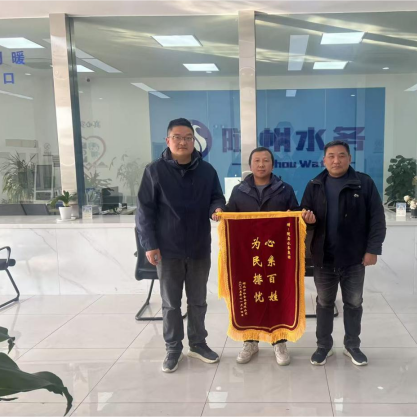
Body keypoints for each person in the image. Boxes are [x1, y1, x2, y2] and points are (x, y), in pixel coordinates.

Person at [136, 117, 225, 373]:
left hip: (198, 247)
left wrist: (217, 208)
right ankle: (173, 349)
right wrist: (150, 245)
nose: (183, 142)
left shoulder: (207, 171)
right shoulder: (154, 171)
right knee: (171, 303)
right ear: (168, 140)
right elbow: (144, 211)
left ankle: (198, 344)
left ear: (193, 141)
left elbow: (216, 197)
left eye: (188, 137)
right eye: (177, 137)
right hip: (167, 249)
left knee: (198, 301)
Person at [300, 140, 386, 366]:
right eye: (331, 156)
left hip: (354, 257)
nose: (336, 160)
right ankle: (323, 346)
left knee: (354, 303)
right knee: (324, 303)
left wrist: (373, 249)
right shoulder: (314, 185)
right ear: (324, 160)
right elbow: (304, 219)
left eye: (341, 155)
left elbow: (377, 219)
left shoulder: (363, 183)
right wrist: (307, 220)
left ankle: (352, 345)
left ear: (349, 158)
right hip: (324, 258)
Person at [225, 146, 300, 366]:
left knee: (277, 295)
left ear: (272, 164)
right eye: (257, 160)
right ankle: (250, 342)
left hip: (276, 255)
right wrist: (220, 212)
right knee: (250, 295)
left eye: (265, 160)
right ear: (250, 165)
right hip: (248, 256)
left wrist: (297, 215)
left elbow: (295, 214)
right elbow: (229, 213)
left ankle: (279, 341)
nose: (261, 164)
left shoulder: (285, 189)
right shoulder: (239, 191)